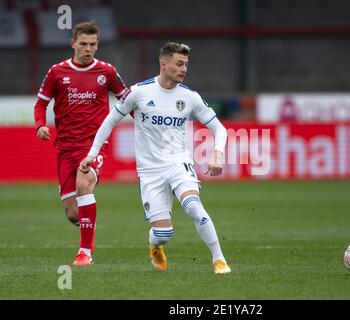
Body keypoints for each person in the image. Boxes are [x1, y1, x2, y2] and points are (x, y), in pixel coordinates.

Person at [79, 42, 231, 274]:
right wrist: (92, 154)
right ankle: (155, 246)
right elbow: (109, 121)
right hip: (150, 172)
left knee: (194, 208)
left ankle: (219, 260)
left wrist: (218, 153)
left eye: (186, 65)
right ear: (164, 64)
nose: (184, 69)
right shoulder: (139, 92)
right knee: (163, 234)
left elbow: (219, 129)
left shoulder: (190, 97)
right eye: (179, 64)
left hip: (179, 163)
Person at [34, 21, 128, 266]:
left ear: (98, 45)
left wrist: (146, 120)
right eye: (84, 44)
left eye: (93, 45)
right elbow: (41, 103)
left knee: (84, 185)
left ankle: (85, 252)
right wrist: (40, 125)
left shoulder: (107, 72)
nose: (89, 49)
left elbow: (126, 100)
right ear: (73, 44)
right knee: (73, 212)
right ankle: (87, 217)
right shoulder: (57, 72)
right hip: (65, 147)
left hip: (95, 143)